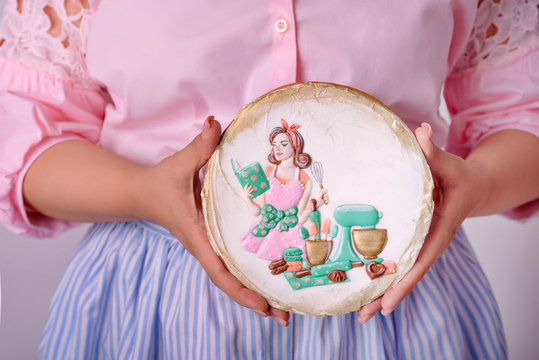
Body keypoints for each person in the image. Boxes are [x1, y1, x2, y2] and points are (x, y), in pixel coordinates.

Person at [0, 0, 538, 358]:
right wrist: (141, 192)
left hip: (396, 292)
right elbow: (24, 137)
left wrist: (480, 184)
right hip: (151, 302)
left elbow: (523, 116)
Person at [241, 119, 328, 260]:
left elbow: (299, 218)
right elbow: (258, 211)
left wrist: (315, 204)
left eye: (283, 144)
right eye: (274, 145)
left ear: (295, 147)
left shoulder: (305, 179)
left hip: (290, 234)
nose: (277, 149)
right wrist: (247, 198)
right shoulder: (267, 172)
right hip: (266, 229)